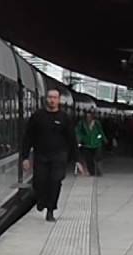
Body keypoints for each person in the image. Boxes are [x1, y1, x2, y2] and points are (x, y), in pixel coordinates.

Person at [21, 89, 78, 222]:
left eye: (55, 98)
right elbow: (28, 137)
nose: (52, 100)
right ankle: (41, 200)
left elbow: (72, 139)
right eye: (50, 97)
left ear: (58, 100)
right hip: (41, 155)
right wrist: (25, 157)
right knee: (39, 181)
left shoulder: (65, 118)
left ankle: (50, 210)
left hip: (59, 156)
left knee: (55, 182)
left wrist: (76, 159)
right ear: (46, 99)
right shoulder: (37, 116)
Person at [76, 111, 105, 176]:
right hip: (87, 144)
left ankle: (98, 171)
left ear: (92, 117)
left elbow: (101, 131)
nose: (88, 118)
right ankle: (92, 172)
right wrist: (80, 139)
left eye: (89, 116)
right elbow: (78, 132)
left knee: (98, 158)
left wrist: (102, 139)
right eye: (87, 116)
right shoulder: (82, 123)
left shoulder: (96, 123)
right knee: (88, 159)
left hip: (96, 143)